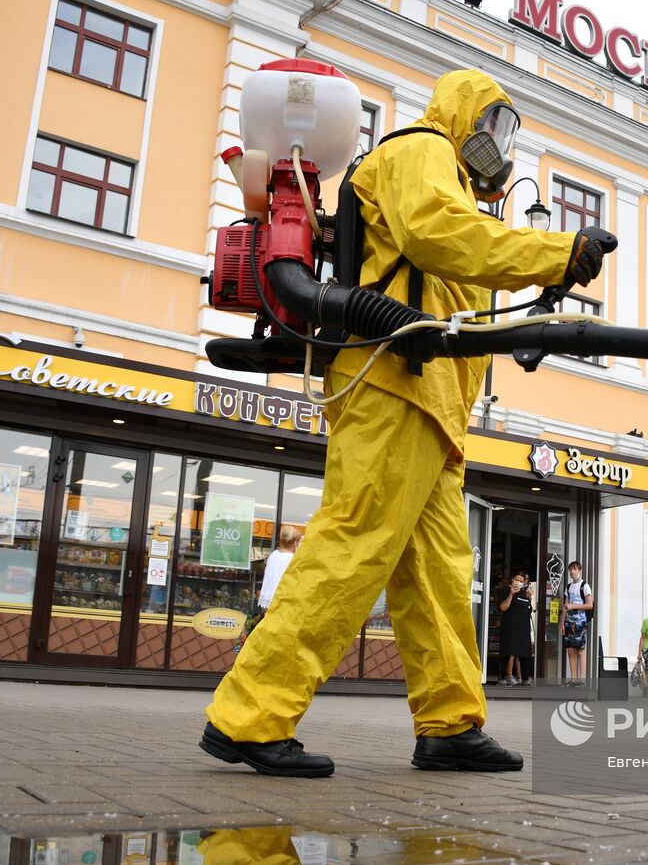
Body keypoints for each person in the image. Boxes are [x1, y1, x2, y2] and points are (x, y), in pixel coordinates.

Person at [200, 68, 615, 776]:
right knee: (353, 544)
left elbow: (465, 276)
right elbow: (441, 237)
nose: (497, 143)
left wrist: (538, 295)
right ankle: (251, 712)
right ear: (460, 114)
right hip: (392, 381)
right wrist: (556, 251)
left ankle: (450, 723)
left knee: (440, 575)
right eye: (491, 123)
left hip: (437, 405)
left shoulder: (453, 184)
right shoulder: (420, 148)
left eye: (506, 132)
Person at [498, 573, 533, 686]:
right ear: (512, 579)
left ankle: (524, 678)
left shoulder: (525, 593)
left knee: (525, 652)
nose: (518, 582)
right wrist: (511, 594)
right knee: (510, 651)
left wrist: (529, 598)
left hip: (523, 628)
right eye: (516, 579)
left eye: (521, 581)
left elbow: (529, 610)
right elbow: (503, 607)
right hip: (510, 627)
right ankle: (506, 676)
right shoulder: (505, 590)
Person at [561, 561, 592, 687]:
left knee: (580, 650)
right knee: (570, 650)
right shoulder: (568, 587)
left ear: (579, 570)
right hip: (569, 621)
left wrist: (573, 606)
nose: (572, 572)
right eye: (570, 569)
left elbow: (590, 605)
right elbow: (565, 605)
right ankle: (573, 679)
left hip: (580, 622)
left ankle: (582, 680)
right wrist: (562, 623)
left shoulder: (584, 586)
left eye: (574, 569)